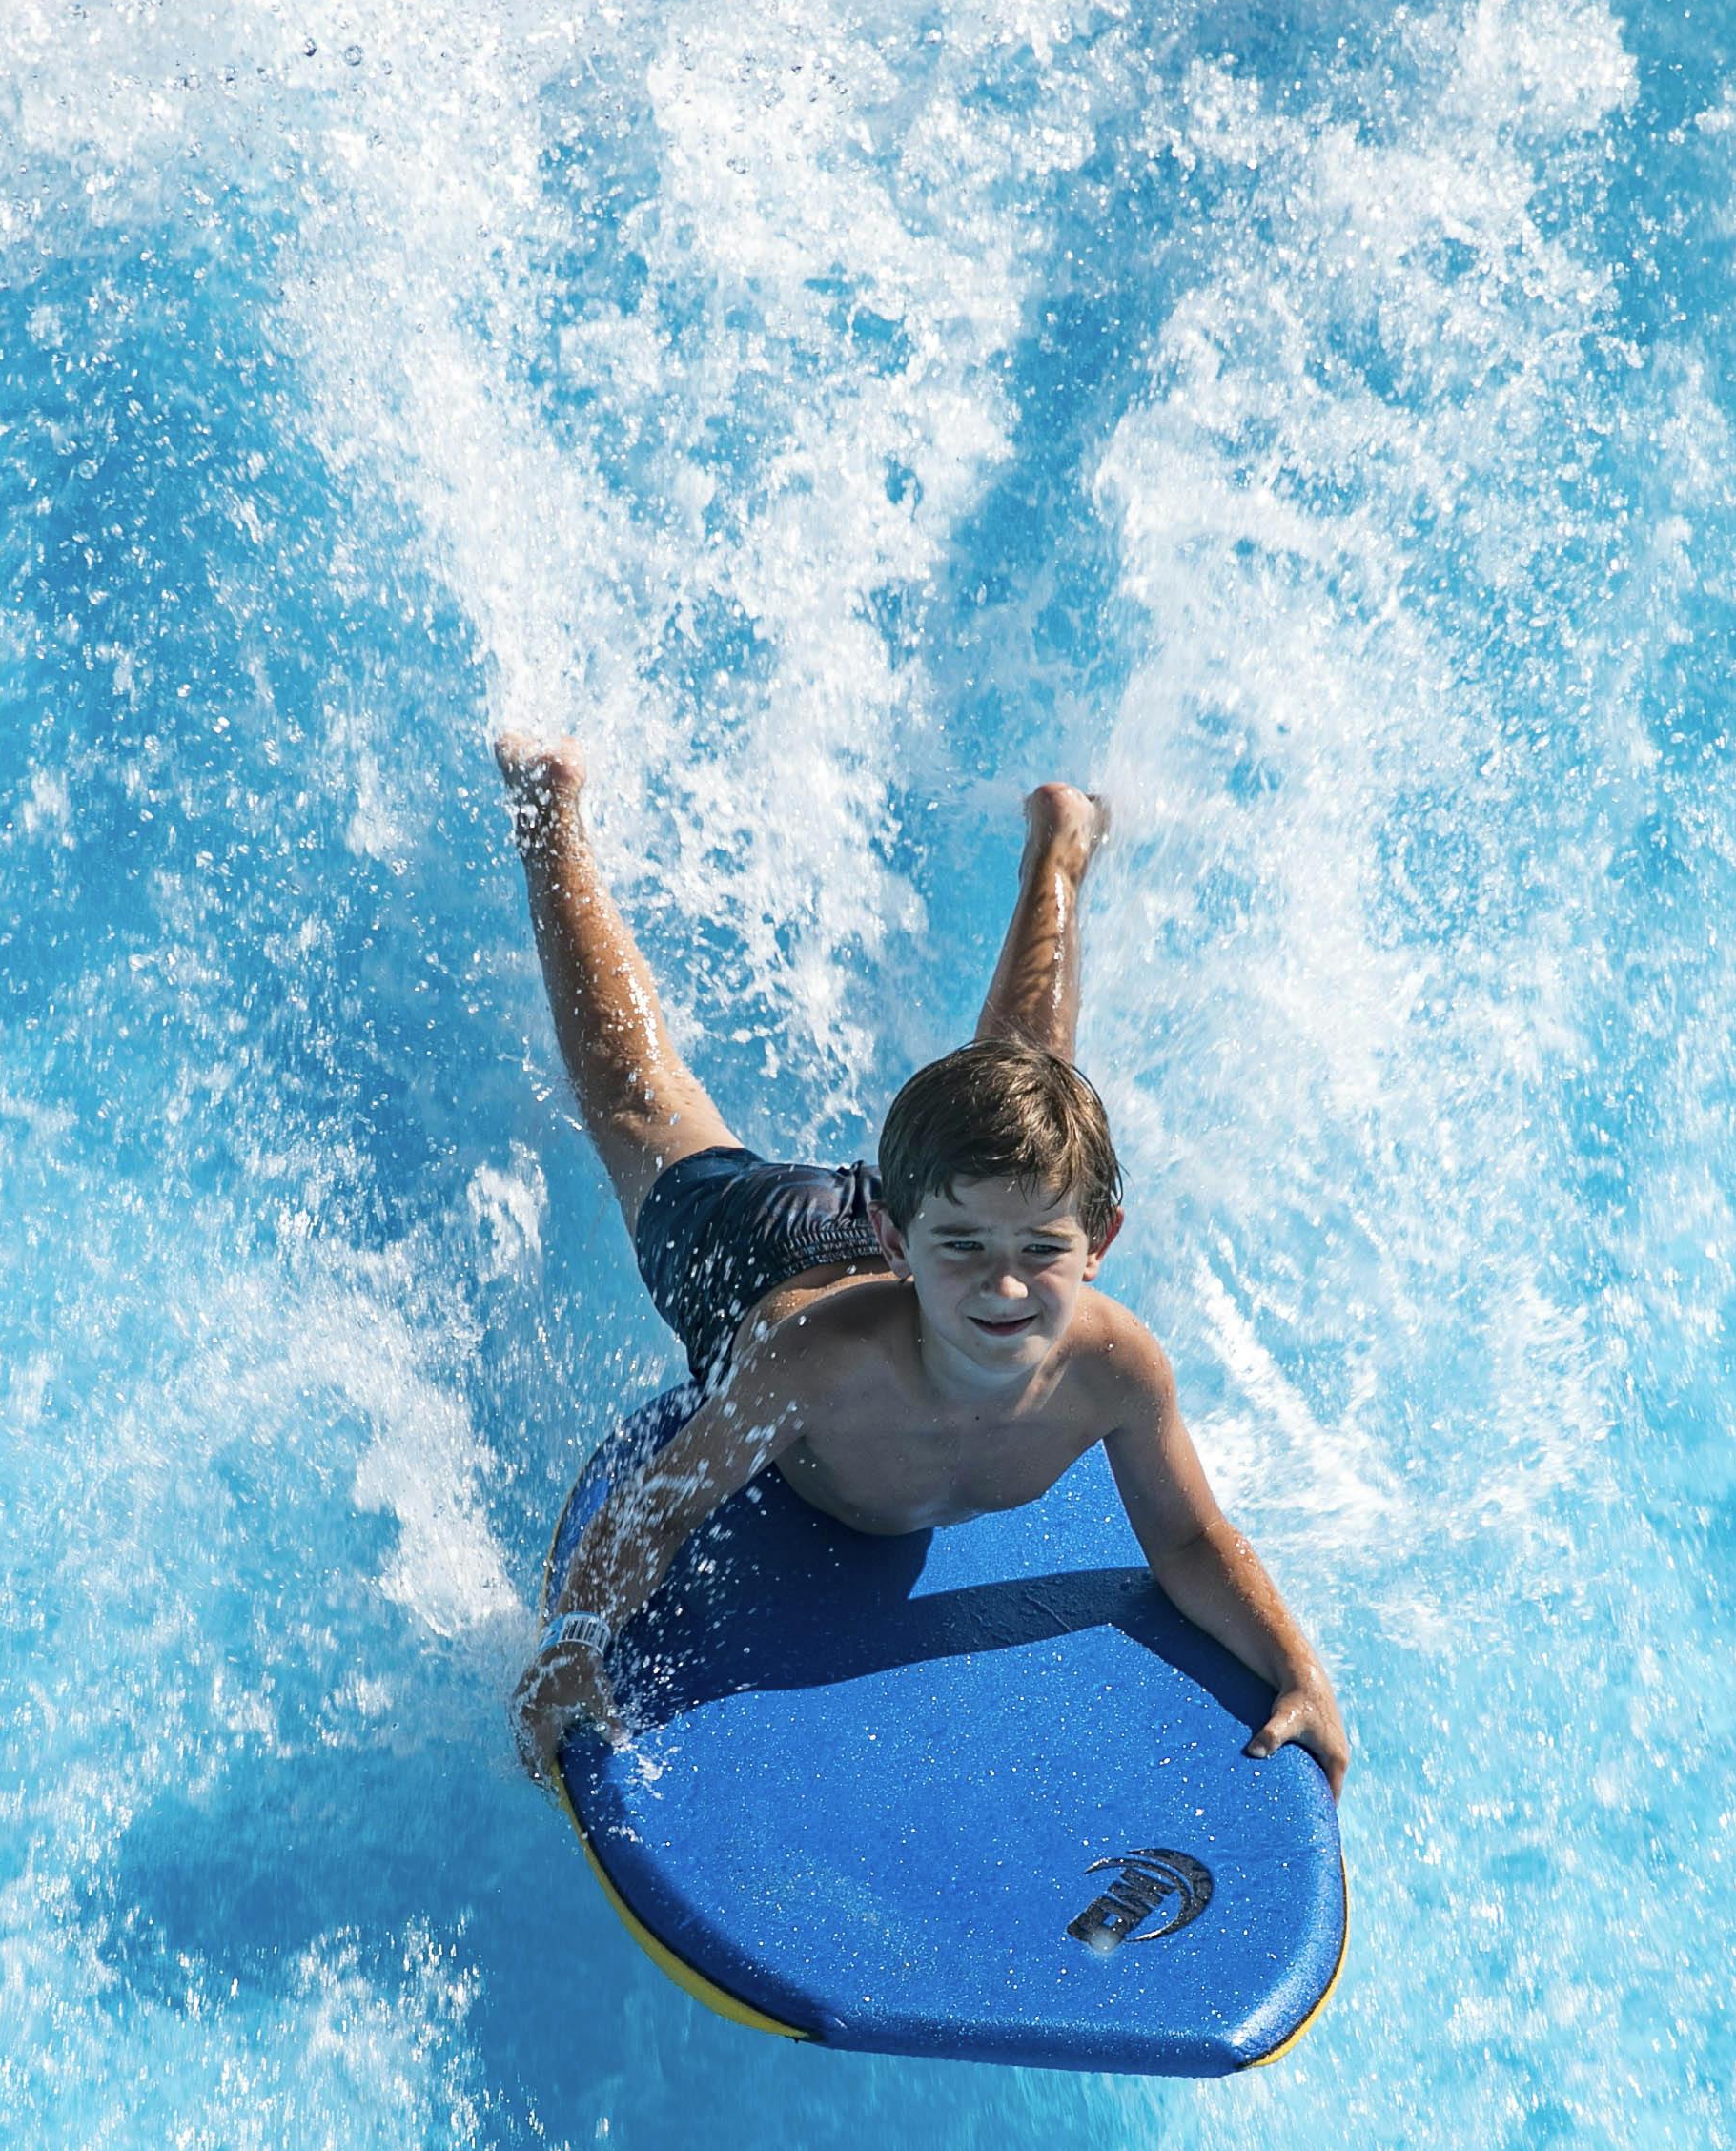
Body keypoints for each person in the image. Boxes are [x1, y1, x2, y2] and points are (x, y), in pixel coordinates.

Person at [493, 736, 1353, 1794]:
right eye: (970, 1255)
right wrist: (576, 1637)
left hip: (936, 1216)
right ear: (901, 1240)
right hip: (771, 1261)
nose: (1005, 1287)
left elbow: (1189, 1542)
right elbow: (658, 1507)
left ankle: (1061, 845)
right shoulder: (821, 1367)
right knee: (640, 1103)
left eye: (1045, 1253)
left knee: (1031, 1106)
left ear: (1100, 1246)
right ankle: (551, 812)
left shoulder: (1118, 1369)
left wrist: (1296, 1665)